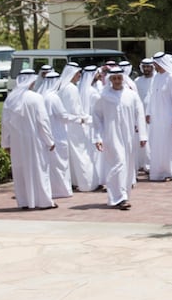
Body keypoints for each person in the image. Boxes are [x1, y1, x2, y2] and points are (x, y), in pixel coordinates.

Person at [92, 66, 147, 210]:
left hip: (128, 136)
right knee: (118, 163)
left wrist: (142, 134)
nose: (117, 81)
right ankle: (119, 197)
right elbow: (97, 117)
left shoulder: (131, 95)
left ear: (123, 78)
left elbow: (139, 113)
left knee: (127, 166)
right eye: (114, 78)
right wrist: (97, 138)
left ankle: (123, 196)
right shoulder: (103, 97)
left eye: (119, 78)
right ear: (110, 80)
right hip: (111, 136)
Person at [0, 72, 57, 209]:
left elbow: (5, 123)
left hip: (17, 142)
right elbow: (43, 121)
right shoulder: (36, 98)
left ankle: (25, 201)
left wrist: (6, 143)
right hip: (34, 141)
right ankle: (43, 201)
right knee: (39, 169)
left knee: (21, 171)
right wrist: (49, 140)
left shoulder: (10, 99)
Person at [36, 71, 79, 199]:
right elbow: (63, 116)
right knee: (60, 165)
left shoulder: (41, 96)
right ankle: (62, 190)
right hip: (58, 135)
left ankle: (53, 190)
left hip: (46, 136)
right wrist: (79, 119)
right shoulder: (53, 97)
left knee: (50, 165)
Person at [58, 64, 99, 192]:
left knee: (73, 156)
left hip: (67, 126)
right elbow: (76, 110)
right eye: (77, 73)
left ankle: (75, 181)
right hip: (75, 126)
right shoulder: (71, 88)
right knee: (81, 155)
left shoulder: (63, 87)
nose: (79, 76)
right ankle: (87, 183)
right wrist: (85, 119)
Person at [148, 53, 172, 182]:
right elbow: (151, 97)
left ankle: (170, 172)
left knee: (170, 146)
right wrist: (148, 113)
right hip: (157, 118)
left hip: (169, 118)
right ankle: (157, 172)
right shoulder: (156, 78)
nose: (154, 66)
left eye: (156, 64)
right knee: (157, 145)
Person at [134, 58, 155, 172]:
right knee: (141, 139)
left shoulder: (156, 79)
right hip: (140, 115)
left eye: (149, 66)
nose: (146, 69)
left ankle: (151, 163)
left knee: (152, 139)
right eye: (145, 67)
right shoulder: (137, 81)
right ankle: (142, 163)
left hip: (153, 115)